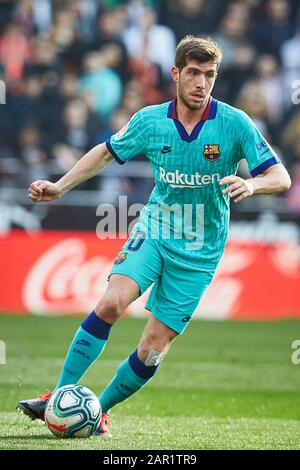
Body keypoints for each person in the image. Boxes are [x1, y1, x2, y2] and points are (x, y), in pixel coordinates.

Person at [17, 35, 291, 437]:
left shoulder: (234, 123)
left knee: (153, 348)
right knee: (111, 303)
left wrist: (253, 186)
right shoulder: (151, 121)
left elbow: (280, 176)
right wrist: (60, 186)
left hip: (201, 251)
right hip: (156, 228)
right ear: (176, 74)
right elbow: (106, 151)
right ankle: (57, 395)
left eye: (209, 75)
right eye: (194, 73)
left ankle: (98, 411)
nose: (201, 83)